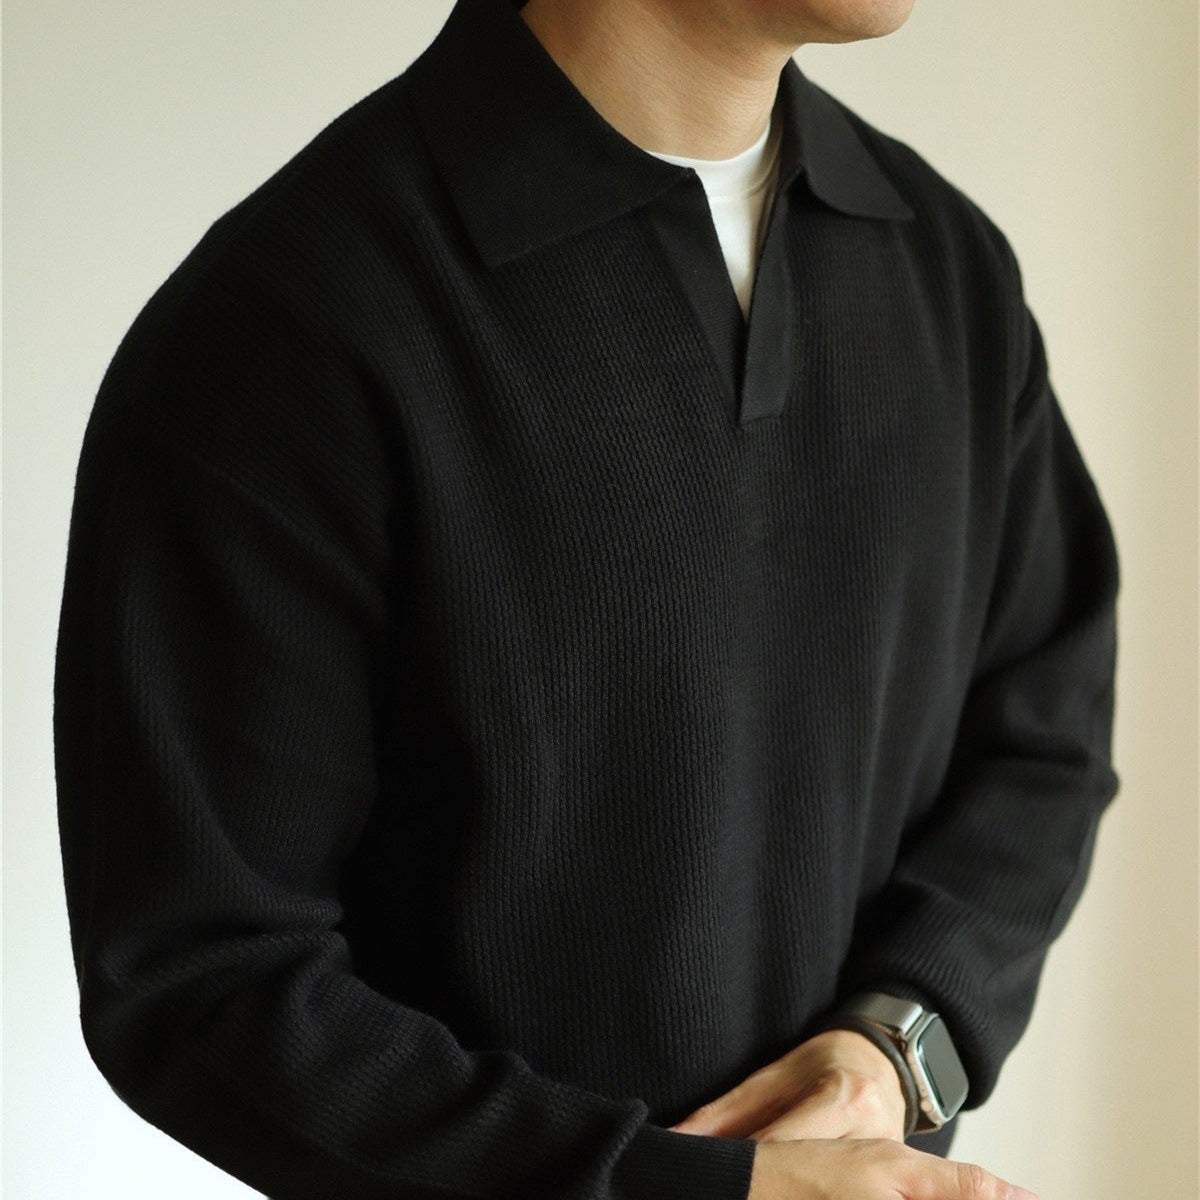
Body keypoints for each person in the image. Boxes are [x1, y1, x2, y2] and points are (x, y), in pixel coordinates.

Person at [53, 0, 1118, 1197]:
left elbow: (1043, 740)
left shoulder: (948, 274)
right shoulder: (290, 323)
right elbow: (206, 978)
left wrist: (898, 1044)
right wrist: (687, 1190)